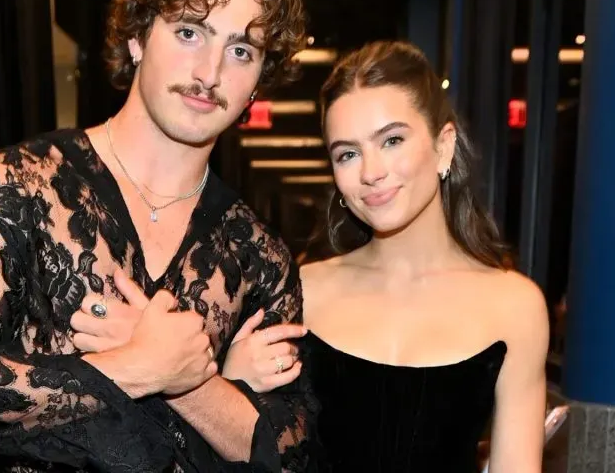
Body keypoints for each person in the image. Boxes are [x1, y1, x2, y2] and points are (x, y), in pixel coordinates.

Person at [0, 0, 316, 473]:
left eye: (241, 51)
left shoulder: (261, 257)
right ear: (137, 37)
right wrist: (140, 366)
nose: (209, 72)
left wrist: (194, 382)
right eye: (189, 32)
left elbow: (290, 453)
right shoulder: (18, 186)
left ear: (258, 78)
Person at [223, 40, 549, 472]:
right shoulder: (303, 290)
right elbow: (260, 452)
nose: (371, 172)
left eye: (392, 140)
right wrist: (231, 386)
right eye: (348, 153)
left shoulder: (515, 306)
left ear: (444, 145)